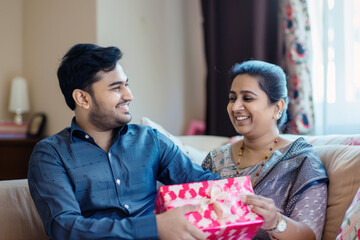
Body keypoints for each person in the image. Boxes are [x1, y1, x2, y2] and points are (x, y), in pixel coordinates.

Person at [27, 43, 220, 240]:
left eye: (126, 84)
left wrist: (246, 197)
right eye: (116, 88)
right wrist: (153, 227)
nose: (129, 96)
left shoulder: (149, 140)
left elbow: (202, 182)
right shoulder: (50, 154)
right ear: (83, 98)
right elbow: (65, 228)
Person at [201, 60, 328, 240]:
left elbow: (310, 236)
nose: (235, 107)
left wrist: (275, 221)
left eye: (248, 98)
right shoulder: (216, 158)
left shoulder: (301, 160)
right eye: (232, 98)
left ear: (277, 107)